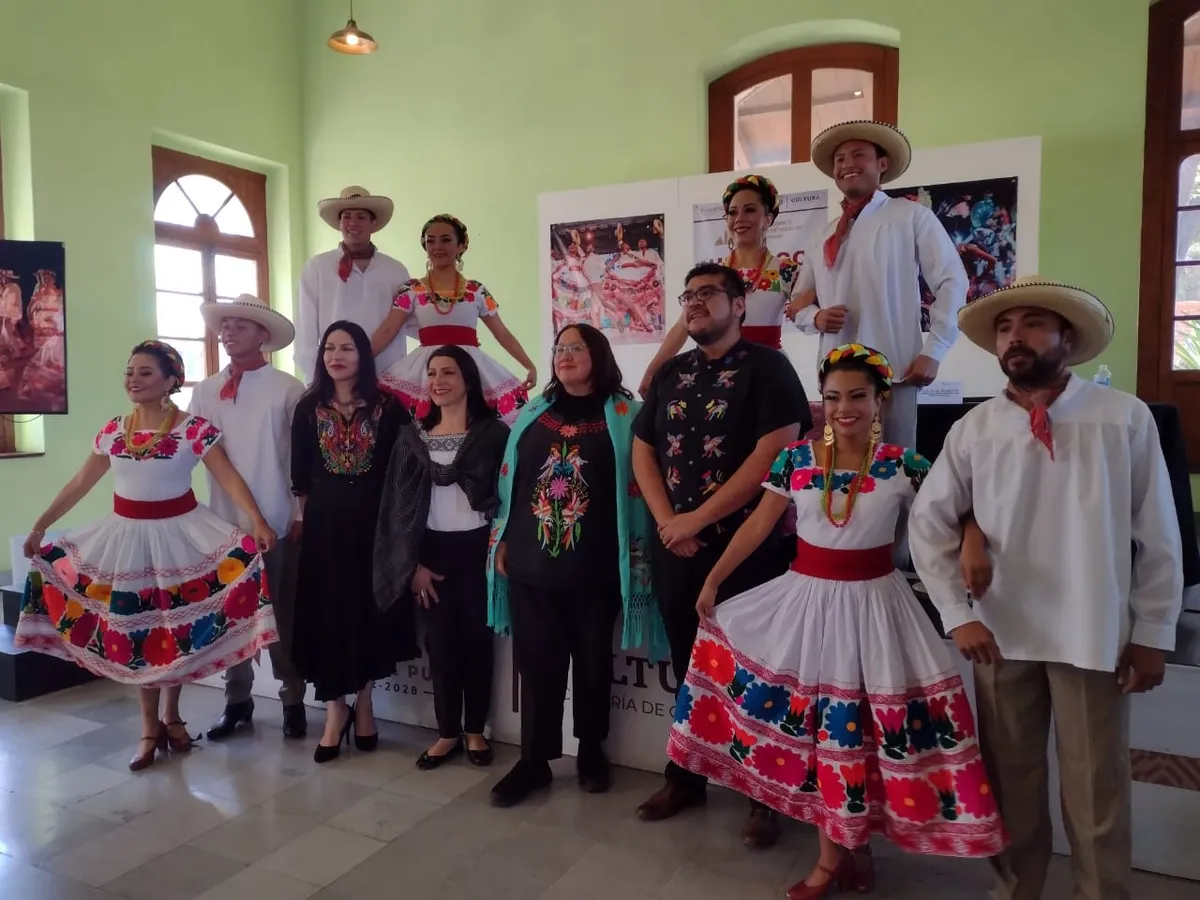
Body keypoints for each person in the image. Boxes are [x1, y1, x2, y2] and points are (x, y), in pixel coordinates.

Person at [667, 344, 1007, 899]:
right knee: (823, 735)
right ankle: (833, 859)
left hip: (876, 608)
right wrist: (714, 579)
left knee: (859, 737)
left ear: (880, 401)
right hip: (807, 605)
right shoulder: (795, 460)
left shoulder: (905, 464)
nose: (844, 408)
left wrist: (971, 541)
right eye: (832, 398)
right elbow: (758, 525)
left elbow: (956, 511)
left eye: (856, 396)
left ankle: (854, 849)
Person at [908, 278, 1185, 900]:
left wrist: (1153, 631)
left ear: (1067, 336)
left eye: (1033, 324)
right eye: (1006, 328)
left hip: (1093, 629)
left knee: (1097, 787)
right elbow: (929, 523)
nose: (1016, 338)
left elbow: (1159, 534)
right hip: (1000, 633)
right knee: (1011, 783)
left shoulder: (1122, 418)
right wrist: (957, 613)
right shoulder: (975, 428)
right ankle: (1015, 892)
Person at [16, 340, 278, 772]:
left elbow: (227, 477)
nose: (133, 380)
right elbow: (81, 481)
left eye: (145, 373)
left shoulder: (193, 429)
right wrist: (41, 525)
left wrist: (258, 522)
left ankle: (171, 716)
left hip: (181, 537)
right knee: (138, 633)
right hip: (127, 539)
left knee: (173, 629)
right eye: (129, 372)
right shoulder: (114, 430)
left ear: (171, 380)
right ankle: (147, 728)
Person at [632, 262, 812, 849]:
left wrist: (697, 519)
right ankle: (684, 778)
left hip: (748, 551)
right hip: (675, 547)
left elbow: (774, 453)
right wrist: (670, 523)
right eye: (688, 295)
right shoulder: (671, 372)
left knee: (756, 672)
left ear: (739, 305)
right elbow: (643, 449)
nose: (695, 302)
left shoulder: (769, 367)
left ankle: (764, 797)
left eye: (708, 293)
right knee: (688, 668)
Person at [486, 323, 667, 807]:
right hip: (530, 565)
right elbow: (513, 484)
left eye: (576, 348)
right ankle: (534, 761)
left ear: (599, 355)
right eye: (559, 348)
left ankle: (590, 750)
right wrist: (502, 539)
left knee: (592, 665)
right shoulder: (533, 413)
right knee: (537, 667)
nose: (564, 355)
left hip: (597, 567)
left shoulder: (629, 416)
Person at [786, 121, 968, 448]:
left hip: (895, 371)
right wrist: (815, 317)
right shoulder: (824, 234)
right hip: (837, 379)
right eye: (840, 159)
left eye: (859, 154)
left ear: (882, 164)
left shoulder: (910, 216)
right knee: (840, 464)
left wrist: (935, 349)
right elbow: (798, 300)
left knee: (894, 465)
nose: (847, 164)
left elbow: (951, 280)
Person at [373, 345, 509, 770]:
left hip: (480, 550)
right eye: (432, 373)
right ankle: (448, 731)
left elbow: (509, 497)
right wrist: (412, 565)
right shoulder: (412, 438)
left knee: (478, 643)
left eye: (448, 372)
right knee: (441, 645)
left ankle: (475, 730)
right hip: (430, 553)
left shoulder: (494, 434)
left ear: (468, 379)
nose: (437, 381)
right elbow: (397, 507)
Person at [290, 320, 419, 763]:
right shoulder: (309, 408)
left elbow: (404, 472)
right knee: (327, 614)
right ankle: (335, 709)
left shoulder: (390, 407)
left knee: (367, 613)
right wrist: (312, 523)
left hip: (374, 526)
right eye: (329, 348)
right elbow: (301, 478)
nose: (336, 356)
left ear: (363, 354)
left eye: (347, 347)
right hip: (325, 527)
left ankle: (364, 703)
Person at [190, 295, 309, 741]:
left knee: (282, 613)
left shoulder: (288, 388)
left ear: (263, 335)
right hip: (222, 525)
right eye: (225, 325)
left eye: (240, 325)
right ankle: (236, 700)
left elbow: (303, 459)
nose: (229, 332)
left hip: (277, 518)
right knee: (231, 615)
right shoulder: (205, 392)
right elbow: (195, 452)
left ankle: (292, 697)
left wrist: (299, 513)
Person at [641, 174, 797, 395]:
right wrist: (652, 372)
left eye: (750, 210)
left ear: (768, 219)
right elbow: (683, 324)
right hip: (718, 371)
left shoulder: (787, 270)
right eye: (732, 212)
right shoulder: (714, 274)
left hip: (767, 369)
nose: (739, 218)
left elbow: (806, 311)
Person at [372, 214, 536, 424]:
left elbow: (502, 333)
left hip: (467, 366)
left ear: (461, 245)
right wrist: (360, 363)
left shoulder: (476, 290)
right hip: (426, 369)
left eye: (446, 240)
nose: (437, 247)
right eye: (431, 241)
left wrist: (528, 365)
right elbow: (388, 329)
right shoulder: (412, 289)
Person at [294, 186, 412, 382]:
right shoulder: (317, 267)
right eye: (346, 216)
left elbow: (407, 322)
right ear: (339, 223)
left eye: (361, 217)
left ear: (373, 223)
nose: (353, 223)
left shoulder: (395, 270)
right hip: (335, 378)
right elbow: (305, 330)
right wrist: (318, 378)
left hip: (387, 376)